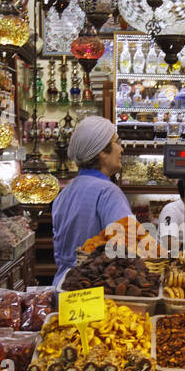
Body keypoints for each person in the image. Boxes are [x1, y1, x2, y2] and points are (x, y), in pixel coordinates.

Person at [50, 116, 132, 286]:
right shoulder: (108, 192)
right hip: (92, 290)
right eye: (117, 142)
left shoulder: (64, 193)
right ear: (102, 152)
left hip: (64, 285)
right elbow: (128, 245)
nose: (121, 149)